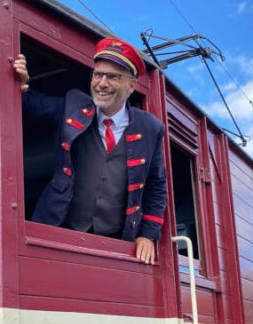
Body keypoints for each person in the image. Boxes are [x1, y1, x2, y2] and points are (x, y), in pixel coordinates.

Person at [13, 38, 168, 264]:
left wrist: (147, 234)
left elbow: (157, 185)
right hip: (60, 226)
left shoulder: (151, 128)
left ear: (131, 85)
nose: (102, 83)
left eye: (113, 77)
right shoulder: (72, 104)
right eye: (97, 75)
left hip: (116, 242)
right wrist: (20, 84)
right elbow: (31, 106)